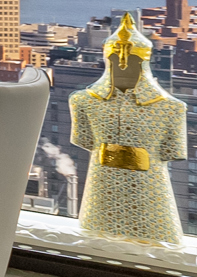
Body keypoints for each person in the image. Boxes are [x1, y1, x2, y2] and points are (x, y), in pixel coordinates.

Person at [70, 13, 187, 245]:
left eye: (131, 62)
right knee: (96, 239)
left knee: (156, 243)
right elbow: (83, 140)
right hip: (103, 188)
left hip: (149, 191)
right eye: (115, 61)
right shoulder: (82, 102)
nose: (122, 67)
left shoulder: (172, 108)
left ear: (143, 63)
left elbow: (172, 152)